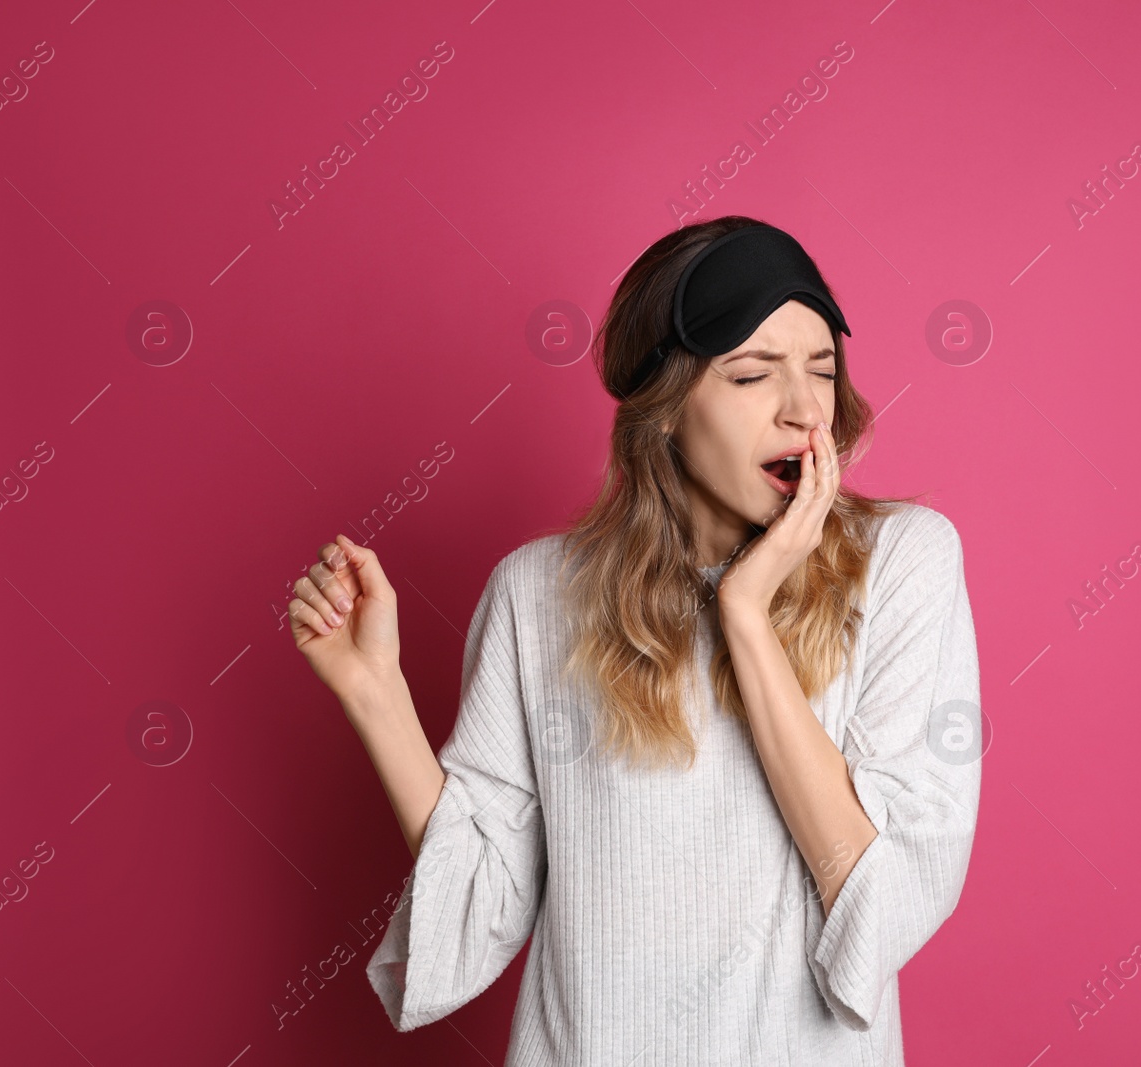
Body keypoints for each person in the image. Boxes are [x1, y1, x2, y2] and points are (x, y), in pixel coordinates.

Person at [289, 216, 983, 1065]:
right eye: (752, 373)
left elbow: (880, 903)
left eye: (824, 370)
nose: (806, 410)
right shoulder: (538, 593)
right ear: (665, 409)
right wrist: (377, 695)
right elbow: (474, 914)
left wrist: (746, 615)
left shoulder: (903, 563)